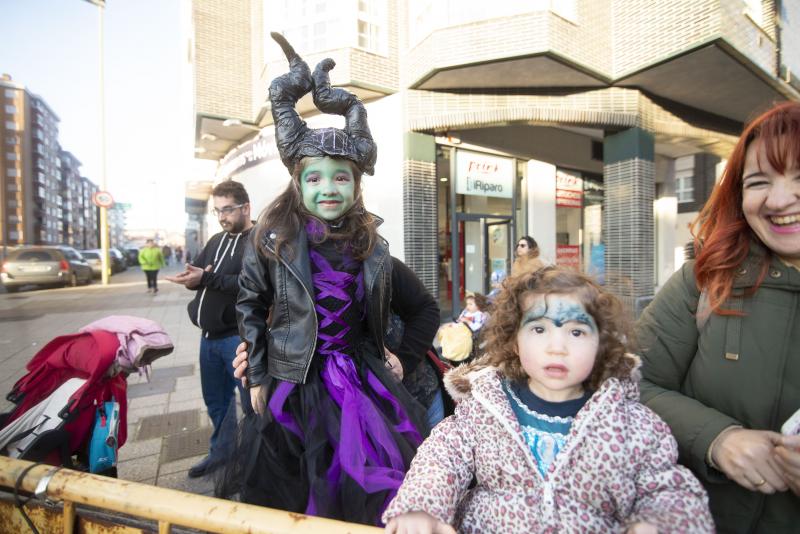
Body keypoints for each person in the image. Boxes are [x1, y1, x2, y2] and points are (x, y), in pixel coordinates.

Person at [220, 33, 440, 526]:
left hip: (362, 388)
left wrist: (401, 359)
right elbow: (250, 306)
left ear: (357, 184)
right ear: (296, 182)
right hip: (289, 384)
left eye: (341, 177)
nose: (328, 188)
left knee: (366, 496)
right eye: (314, 177)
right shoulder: (270, 240)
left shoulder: (373, 248)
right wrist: (257, 371)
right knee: (290, 499)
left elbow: (425, 307)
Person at [383, 266, 713, 534]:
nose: (558, 347)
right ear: (513, 341)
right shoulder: (484, 408)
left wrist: (658, 524)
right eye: (539, 330)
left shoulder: (632, 424)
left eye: (576, 332)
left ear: (602, 344)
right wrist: (420, 507)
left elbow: (668, 489)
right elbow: (441, 459)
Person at [636, 101, 800, 532]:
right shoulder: (704, 280)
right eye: (759, 181)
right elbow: (630, 383)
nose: (779, 200)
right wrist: (715, 438)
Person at [166, 180, 255, 478]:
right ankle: (223, 453)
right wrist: (191, 277)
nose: (221, 217)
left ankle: (253, 463)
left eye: (227, 210)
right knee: (217, 402)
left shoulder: (259, 241)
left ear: (245, 207)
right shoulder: (216, 240)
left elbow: (249, 285)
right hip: (208, 339)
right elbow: (200, 273)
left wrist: (207, 278)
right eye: (217, 211)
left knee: (251, 407)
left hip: (239, 339)